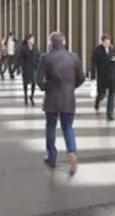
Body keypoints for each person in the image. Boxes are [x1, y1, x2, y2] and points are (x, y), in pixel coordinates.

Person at [36, 31, 84, 175]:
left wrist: (47, 87)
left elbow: (38, 80)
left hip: (52, 98)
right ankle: (72, 153)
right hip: (68, 98)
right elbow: (81, 78)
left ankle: (51, 157)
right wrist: (70, 87)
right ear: (63, 42)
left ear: (51, 43)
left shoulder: (46, 57)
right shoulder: (73, 57)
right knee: (68, 127)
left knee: (50, 126)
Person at [92, 33, 115, 121]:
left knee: (112, 94)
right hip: (102, 75)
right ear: (102, 42)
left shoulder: (113, 48)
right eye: (106, 42)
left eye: (109, 42)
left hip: (112, 75)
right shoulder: (97, 50)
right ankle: (97, 101)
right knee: (102, 93)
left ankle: (110, 114)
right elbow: (93, 63)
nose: (108, 44)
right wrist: (93, 75)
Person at [19, 34, 41, 106]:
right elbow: (21, 58)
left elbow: (38, 55)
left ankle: (31, 96)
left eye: (33, 39)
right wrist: (22, 67)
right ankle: (25, 96)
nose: (33, 40)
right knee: (25, 83)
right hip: (26, 67)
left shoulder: (35, 47)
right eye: (32, 39)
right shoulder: (23, 48)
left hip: (34, 67)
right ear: (28, 40)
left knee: (34, 82)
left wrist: (38, 62)